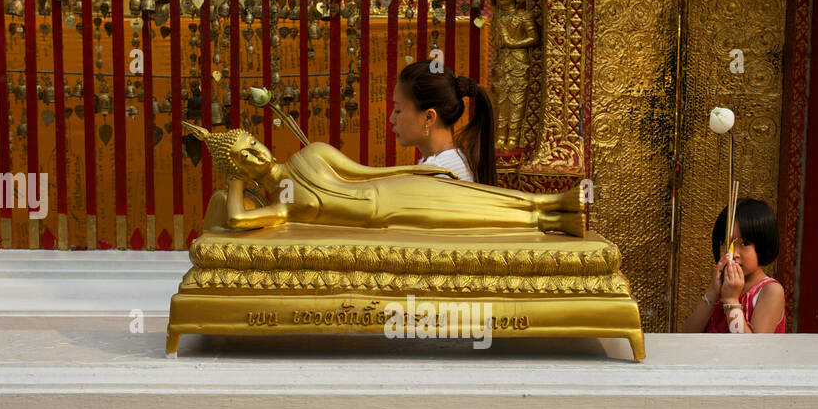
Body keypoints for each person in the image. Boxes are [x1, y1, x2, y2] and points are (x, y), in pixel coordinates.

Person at [184, 124, 584, 236]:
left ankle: (551, 201)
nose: (257, 154)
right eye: (245, 158)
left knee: (473, 197)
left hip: (390, 190)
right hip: (386, 216)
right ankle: (548, 220)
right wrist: (233, 179)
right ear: (240, 168)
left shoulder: (312, 154)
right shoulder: (281, 208)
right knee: (466, 219)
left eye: (253, 143)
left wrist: (418, 170)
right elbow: (236, 221)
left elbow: (368, 172)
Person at [681, 198, 786, 334]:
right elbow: (687, 334)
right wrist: (713, 292)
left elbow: (752, 349)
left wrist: (731, 300)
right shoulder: (722, 287)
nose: (733, 253)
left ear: (763, 244)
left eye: (744, 243)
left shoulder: (770, 291)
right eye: (725, 243)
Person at [389, 60, 496, 185]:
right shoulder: (459, 159)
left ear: (429, 117)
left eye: (397, 110)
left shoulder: (436, 174)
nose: (391, 119)